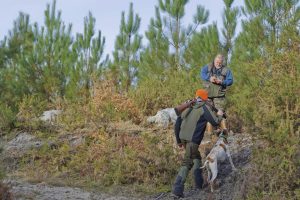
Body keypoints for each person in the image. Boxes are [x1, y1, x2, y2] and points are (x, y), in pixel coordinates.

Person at [172, 89, 225, 198]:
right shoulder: (204, 108)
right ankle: (177, 189)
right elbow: (215, 122)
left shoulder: (188, 106)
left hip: (183, 138)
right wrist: (219, 115)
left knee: (196, 158)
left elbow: (177, 124)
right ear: (205, 99)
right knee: (187, 163)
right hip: (192, 141)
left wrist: (178, 141)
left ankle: (199, 183)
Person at [200, 54, 233, 134]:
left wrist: (222, 82)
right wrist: (209, 78)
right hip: (208, 95)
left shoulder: (226, 70)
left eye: (220, 62)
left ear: (222, 62)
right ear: (214, 60)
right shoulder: (207, 67)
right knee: (208, 115)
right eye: (217, 62)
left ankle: (224, 134)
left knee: (220, 113)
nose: (218, 63)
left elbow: (230, 81)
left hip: (219, 96)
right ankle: (209, 135)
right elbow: (202, 74)